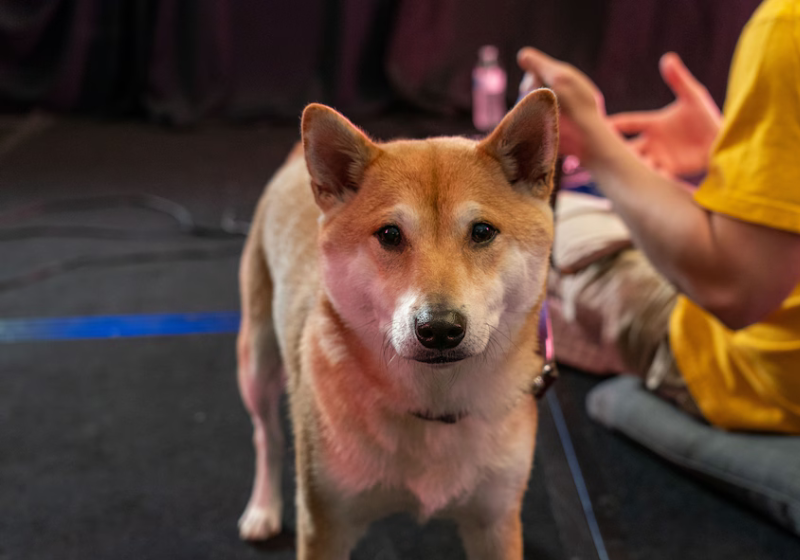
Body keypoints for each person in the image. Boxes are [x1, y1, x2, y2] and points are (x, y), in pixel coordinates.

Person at [518, 0, 800, 433]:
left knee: (561, 231)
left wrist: (593, 143)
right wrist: (739, 155)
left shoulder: (789, 25)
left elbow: (735, 288)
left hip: (765, 377)